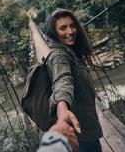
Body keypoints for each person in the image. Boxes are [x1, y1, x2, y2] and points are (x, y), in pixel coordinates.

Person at [45, 8, 103, 152]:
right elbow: (62, 80)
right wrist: (62, 109)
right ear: (54, 32)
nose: (70, 31)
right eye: (63, 28)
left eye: (72, 25)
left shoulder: (69, 51)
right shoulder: (59, 56)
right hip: (80, 133)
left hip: (85, 126)